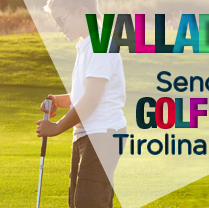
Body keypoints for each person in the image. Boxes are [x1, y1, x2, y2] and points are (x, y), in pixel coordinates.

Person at [35, 0, 127, 207]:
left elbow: (91, 100)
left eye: (61, 20)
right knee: (79, 201)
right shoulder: (87, 45)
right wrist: (60, 100)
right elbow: (86, 94)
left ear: (79, 11)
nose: (59, 28)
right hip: (88, 136)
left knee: (89, 202)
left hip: (103, 135)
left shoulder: (99, 43)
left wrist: (57, 127)